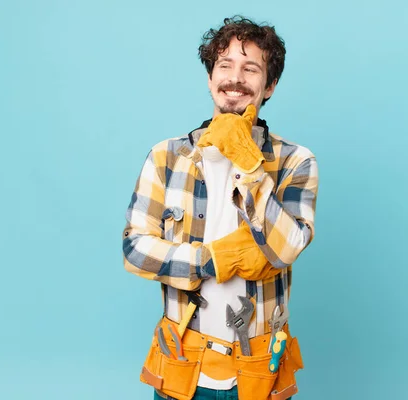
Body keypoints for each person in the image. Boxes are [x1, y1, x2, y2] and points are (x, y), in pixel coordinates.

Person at [122, 15, 318, 400]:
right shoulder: (167, 156)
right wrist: (209, 261)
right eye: (224, 65)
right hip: (183, 366)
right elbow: (134, 250)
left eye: (251, 68)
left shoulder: (296, 162)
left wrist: (249, 165)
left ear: (270, 86)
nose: (235, 78)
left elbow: (288, 247)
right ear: (211, 78)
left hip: (261, 371)